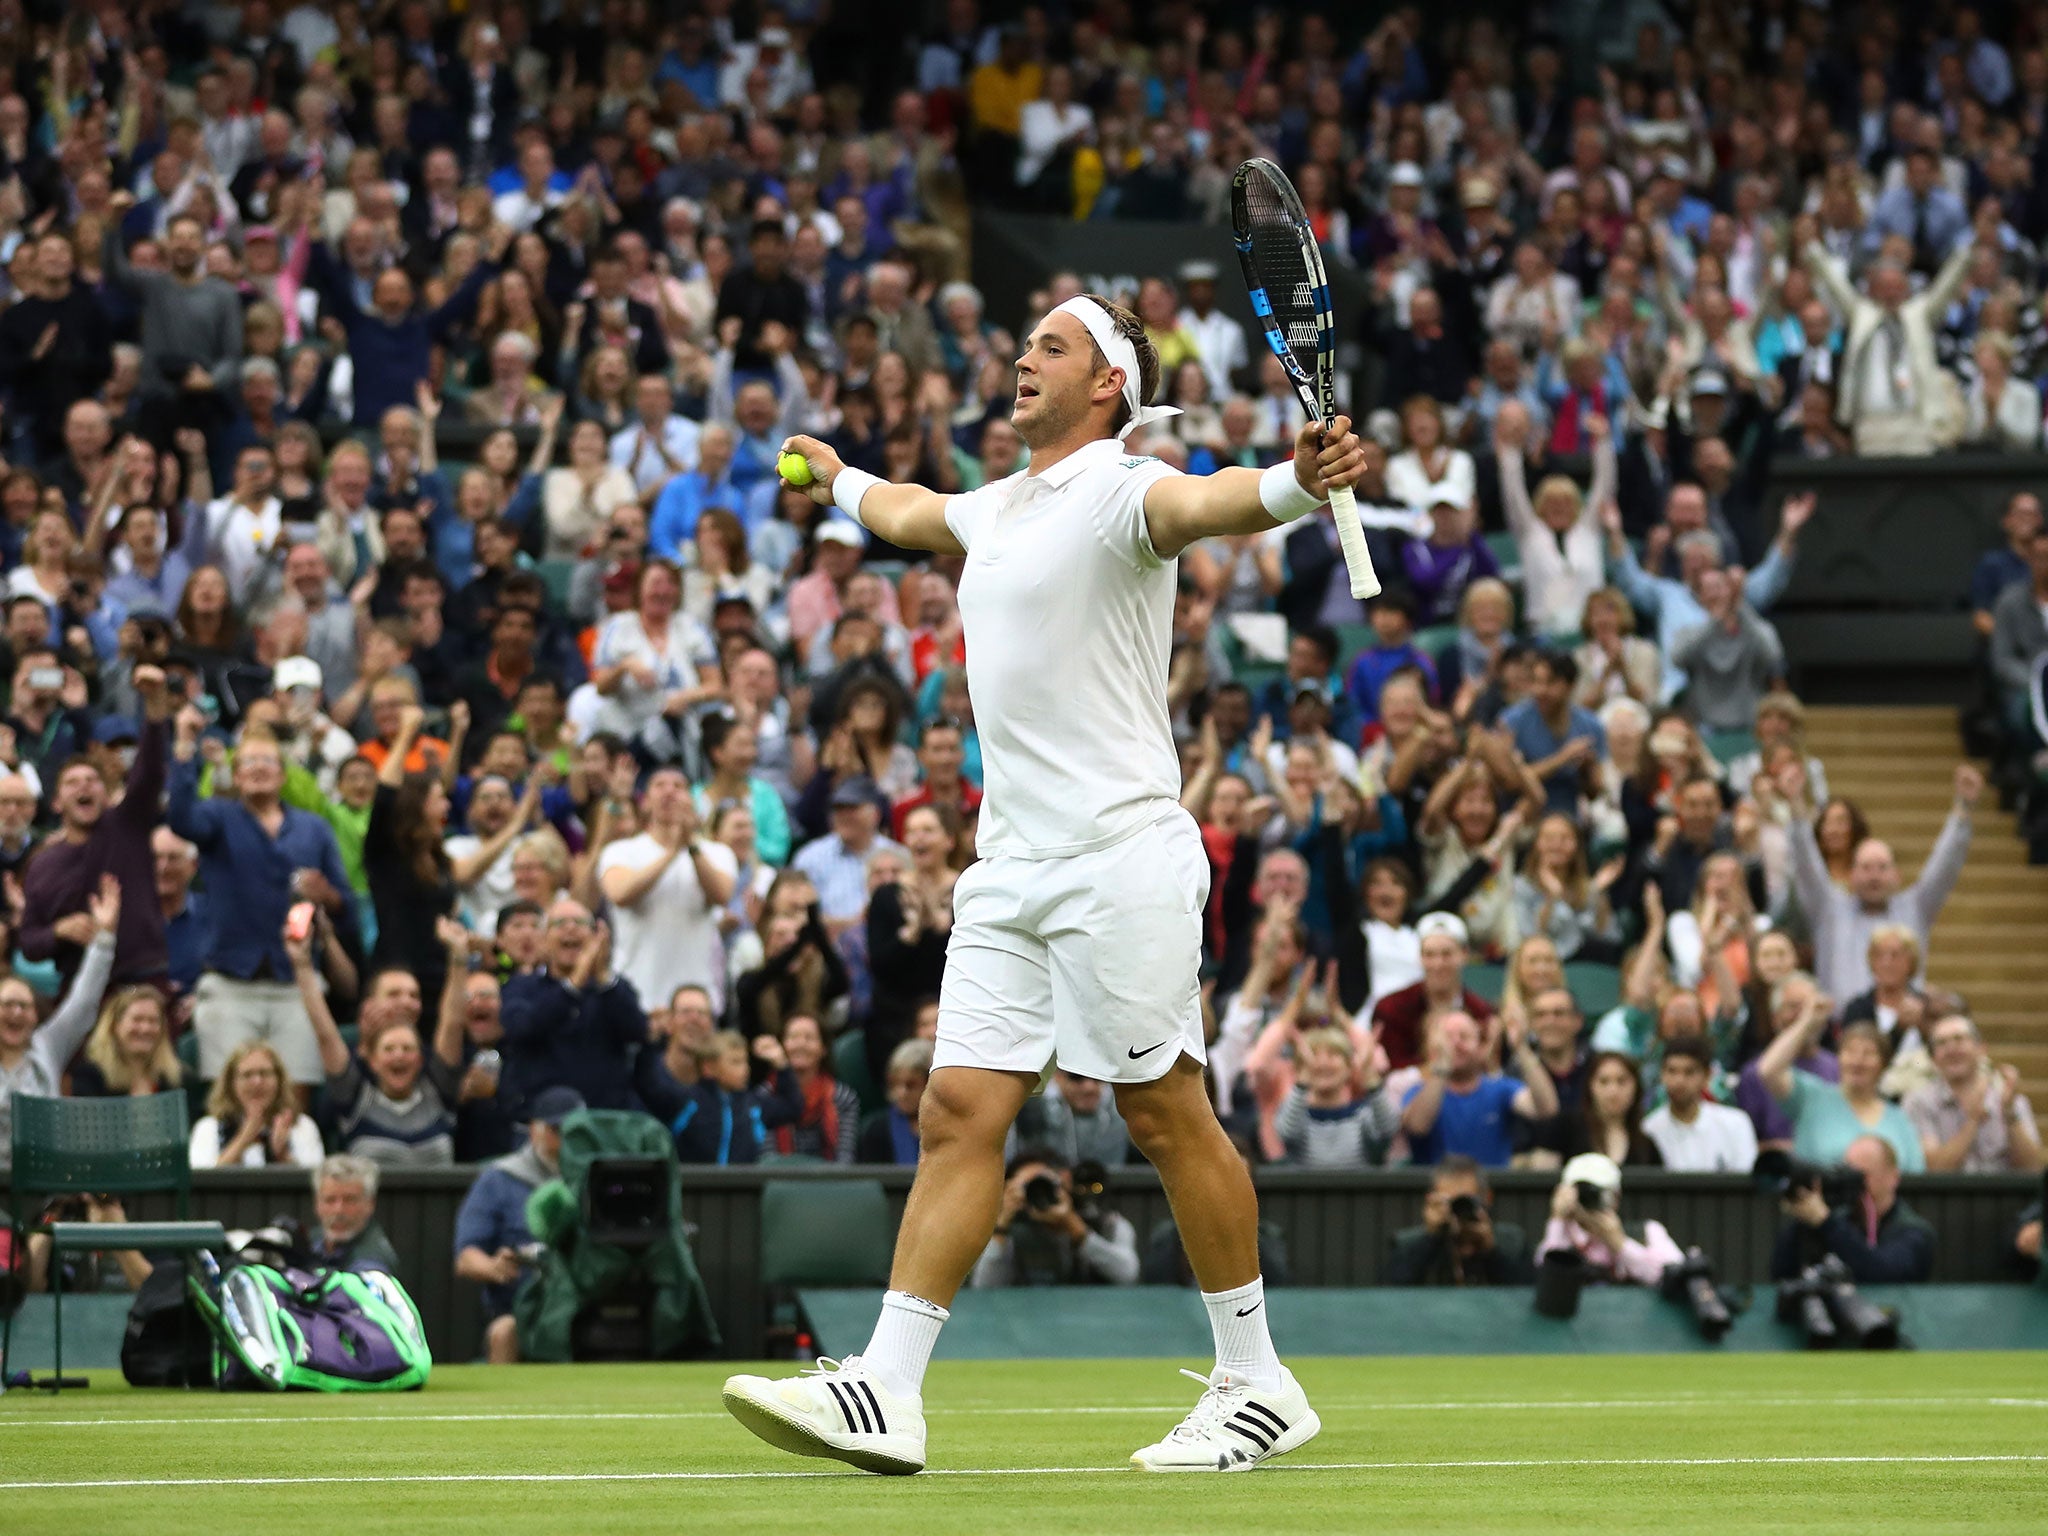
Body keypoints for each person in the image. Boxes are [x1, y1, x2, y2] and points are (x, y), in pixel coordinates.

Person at [726, 292, 1369, 1475]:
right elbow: (909, 513)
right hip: (1009, 867)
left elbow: (1212, 502)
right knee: (958, 1110)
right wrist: (831, 475)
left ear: (1108, 384)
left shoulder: (1129, 489)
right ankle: (886, 1389)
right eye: (1024, 345)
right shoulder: (994, 505)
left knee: (1162, 1111)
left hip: (1119, 856)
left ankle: (1255, 1379)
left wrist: (1291, 481)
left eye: (1051, 347)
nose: (1023, 360)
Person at [169, 717, 356, 1087]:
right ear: (235, 776)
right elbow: (180, 820)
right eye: (248, 762)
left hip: (297, 982)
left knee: (297, 1091)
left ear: (283, 775)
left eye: (268, 761)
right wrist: (185, 749)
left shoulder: (313, 827)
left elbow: (345, 903)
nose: (258, 768)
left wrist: (326, 895)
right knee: (230, 1095)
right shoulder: (218, 817)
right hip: (230, 981)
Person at [1787, 764, 1979, 1003]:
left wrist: (1963, 810)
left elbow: (1944, 868)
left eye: (1882, 867)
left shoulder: (1916, 907)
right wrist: (1796, 807)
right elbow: (1806, 866)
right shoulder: (1829, 909)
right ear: (1852, 875)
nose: (1874, 876)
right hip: (1843, 1031)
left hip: (1905, 1028)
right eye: (1866, 868)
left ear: (1896, 875)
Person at [453, 1085, 584, 1364]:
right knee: (505, 1332)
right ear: (535, 1130)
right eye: (557, 1130)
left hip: (584, 1307)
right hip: (522, 1310)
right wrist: (494, 1268)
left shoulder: (595, 1177)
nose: (566, 1140)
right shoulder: (498, 1179)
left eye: (576, 1131)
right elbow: (466, 1257)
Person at [597, 765, 739, 1014]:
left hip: (696, 1000)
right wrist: (673, 851)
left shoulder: (717, 853)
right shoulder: (621, 851)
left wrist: (690, 846)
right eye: (659, 785)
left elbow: (721, 894)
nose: (669, 792)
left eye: (678, 787)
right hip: (636, 996)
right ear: (645, 802)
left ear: (691, 801)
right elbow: (620, 893)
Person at [0, 877, 117, 1170]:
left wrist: (104, 937)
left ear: (35, 1015)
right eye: (6, 1005)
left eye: (24, 1006)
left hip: (39, 1185)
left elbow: (83, 1001)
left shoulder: (47, 1046)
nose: (15, 1013)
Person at [499, 899, 648, 1113]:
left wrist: (603, 976)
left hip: (604, 1120)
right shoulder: (522, 987)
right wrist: (573, 985)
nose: (570, 928)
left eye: (579, 922)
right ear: (544, 939)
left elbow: (637, 1031)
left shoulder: (613, 989)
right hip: (544, 1121)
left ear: (597, 937)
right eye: (560, 923)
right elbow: (522, 1028)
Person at [1400, 1010, 1560, 1167]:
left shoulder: (1500, 1089)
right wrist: (1441, 1066)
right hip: (1436, 1187)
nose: (1456, 1044)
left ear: (1481, 1046)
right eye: (1448, 1038)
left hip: (1492, 1187)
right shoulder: (1418, 1092)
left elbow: (1546, 1109)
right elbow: (1417, 1127)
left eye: (1464, 1036)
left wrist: (1522, 1049)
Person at [1770, 1135, 1937, 1283]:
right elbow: (1781, 1274)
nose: (1854, 1183)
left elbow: (1883, 1274)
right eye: (1847, 1172)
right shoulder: (1839, 1221)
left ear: (1893, 1177)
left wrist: (1826, 1222)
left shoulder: (1915, 1232)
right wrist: (1804, 1220)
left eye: (1862, 1175)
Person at [969, 1146, 1141, 1287]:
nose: (1038, 1192)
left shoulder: (1107, 1223)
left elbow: (1128, 1274)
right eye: (1028, 1186)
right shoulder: (1004, 1232)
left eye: (1045, 1183)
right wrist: (1002, 1225)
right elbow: (984, 1287)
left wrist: (1076, 1229)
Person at [1905, 1015, 2043, 1174]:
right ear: (1933, 1058)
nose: (1951, 1049)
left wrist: (2009, 1114)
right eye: (1941, 1043)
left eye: (1959, 1039)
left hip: (2004, 1195)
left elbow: (2034, 1168)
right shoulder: (1919, 1102)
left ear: (1981, 1049)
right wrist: (1972, 1121)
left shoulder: (2008, 1097)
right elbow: (1933, 1169)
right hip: (1946, 1196)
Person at [1535, 1152, 1685, 1284]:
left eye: (1597, 1191)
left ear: (1616, 1196)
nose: (1589, 1198)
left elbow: (1677, 1277)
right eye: (1582, 1191)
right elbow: (1541, 1279)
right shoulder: (1562, 1238)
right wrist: (1557, 1219)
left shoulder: (1647, 1232)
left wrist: (1620, 1245)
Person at [1381, 1156, 1533, 1285]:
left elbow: (1526, 1296)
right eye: (1449, 1203)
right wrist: (1431, 1239)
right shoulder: (1406, 1245)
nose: (1456, 1211)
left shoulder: (1513, 1243)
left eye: (1465, 1202)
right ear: (1431, 1201)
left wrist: (1490, 1252)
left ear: (1487, 1198)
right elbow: (1389, 1296)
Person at [188, 1041, 325, 1168]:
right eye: (247, 1075)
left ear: (279, 1080)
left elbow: (316, 1186)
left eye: (265, 1073)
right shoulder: (208, 1127)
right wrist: (244, 1139)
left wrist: (283, 1155)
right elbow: (201, 1183)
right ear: (231, 1084)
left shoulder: (302, 1126)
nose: (257, 1082)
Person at [1642, 1034, 1759, 1173]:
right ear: (1662, 1074)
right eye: (1672, 1071)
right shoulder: (1649, 1130)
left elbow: (1747, 1180)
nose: (1679, 1081)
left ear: (1707, 1076)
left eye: (1689, 1072)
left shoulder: (1736, 1123)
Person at [69, 987, 183, 1100]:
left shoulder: (177, 1079)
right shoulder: (90, 1078)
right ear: (115, 1026)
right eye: (137, 1020)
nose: (145, 1028)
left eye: (153, 1021)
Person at [308, 1154, 403, 1275]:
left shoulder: (373, 1260)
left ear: (370, 1204)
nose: (339, 1210)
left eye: (349, 1200)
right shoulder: (310, 1241)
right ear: (317, 1204)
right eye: (330, 1200)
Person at [858, 1036, 934, 1164]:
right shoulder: (877, 1132)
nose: (901, 1093)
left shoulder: (950, 1127)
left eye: (911, 1085)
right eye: (895, 1084)